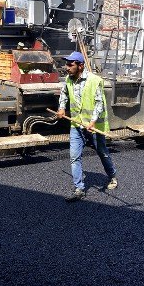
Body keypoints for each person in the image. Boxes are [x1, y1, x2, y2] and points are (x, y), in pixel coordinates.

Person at [56, 51, 118, 202]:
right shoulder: (68, 80)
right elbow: (63, 95)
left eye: (70, 64)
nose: (67, 67)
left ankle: (112, 177)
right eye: (67, 64)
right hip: (76, 124)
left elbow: (99, 103)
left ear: (81, 66)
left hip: (93, 125)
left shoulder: (95, 81)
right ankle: (79, 189)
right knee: (74, 157)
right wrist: (62, 107)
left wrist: (93, 121)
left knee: (102, 152)